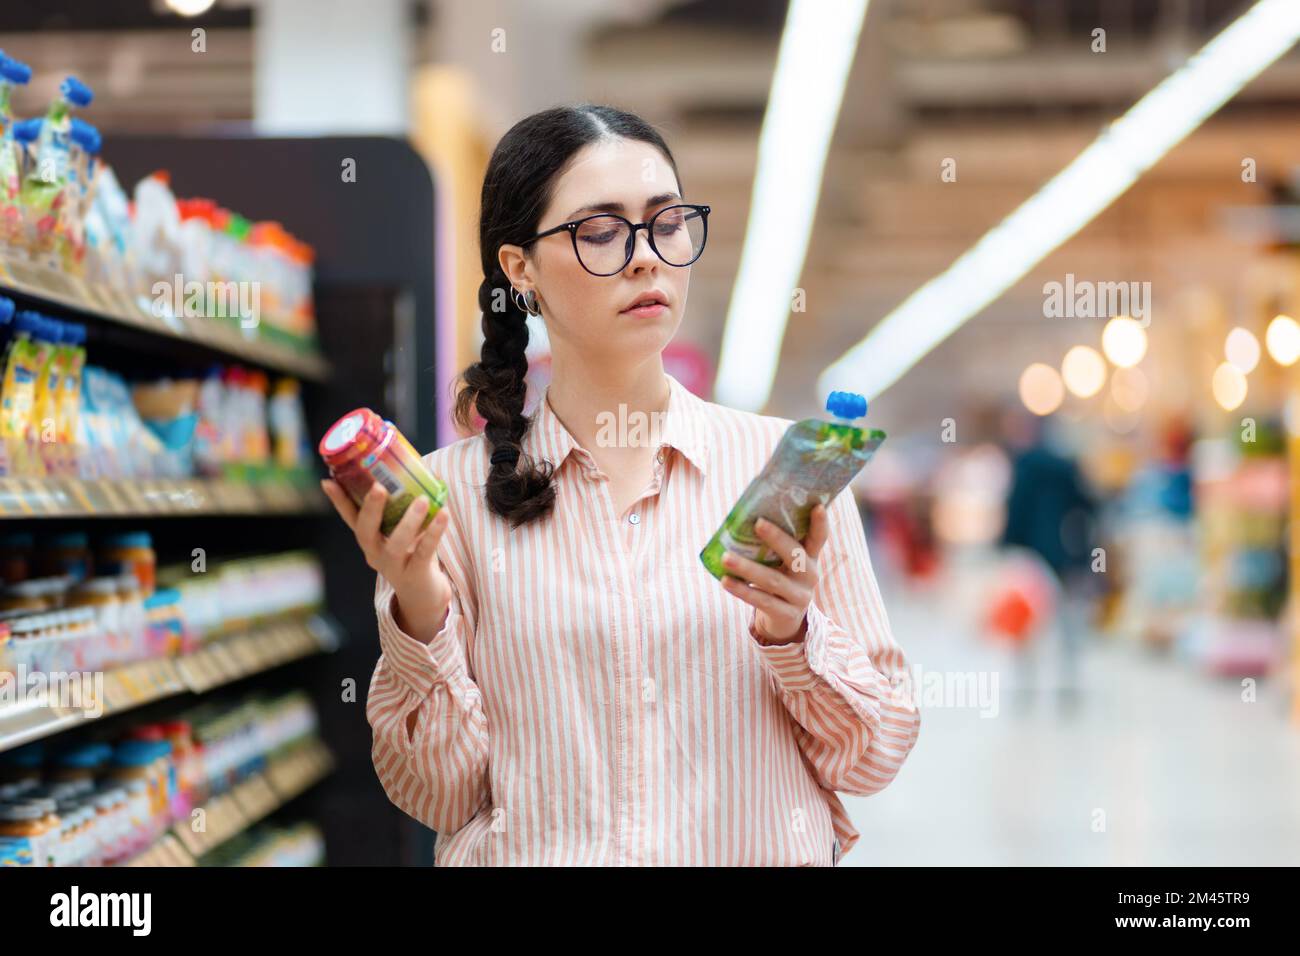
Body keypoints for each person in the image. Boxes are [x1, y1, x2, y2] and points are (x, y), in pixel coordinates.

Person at [322, 104, 919, 866]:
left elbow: (874, 757)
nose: (646, 257)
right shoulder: (452, 503)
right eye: (600, 232)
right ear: (520, 269)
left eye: (667, 223)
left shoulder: (777, 471)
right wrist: (420, 604)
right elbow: (441, 796)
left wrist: (793, 634)